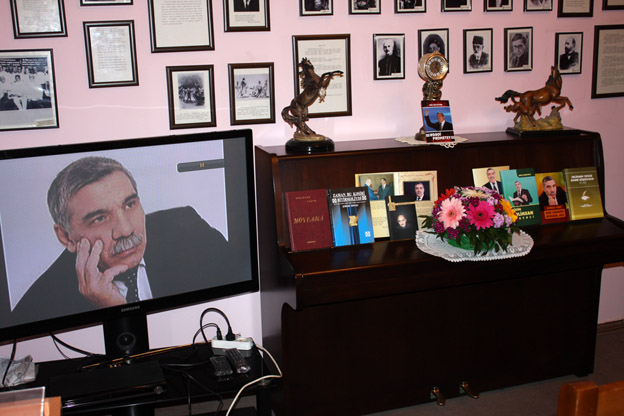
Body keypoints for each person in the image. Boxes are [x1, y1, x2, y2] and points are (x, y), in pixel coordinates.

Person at [11, 156, 232, 322]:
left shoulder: (189, 230)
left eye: (129, 204)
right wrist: (113, 310)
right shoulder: (38, 308)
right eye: (99, 218)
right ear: (66, 237)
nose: (125, 230)